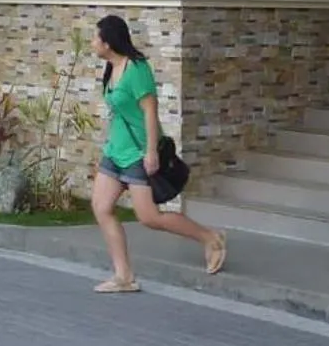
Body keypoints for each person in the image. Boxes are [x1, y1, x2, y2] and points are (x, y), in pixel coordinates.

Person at [88, 14, 226, 293]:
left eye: (95, 37)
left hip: (138, 153)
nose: (92, 42)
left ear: (108, 42)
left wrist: (151, 152)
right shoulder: (110, 69)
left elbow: (150, 111)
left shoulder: (136, 69)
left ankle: (210, 237)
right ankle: (123, 276)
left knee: (149, 217)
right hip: (115, 151)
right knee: (101, 208)